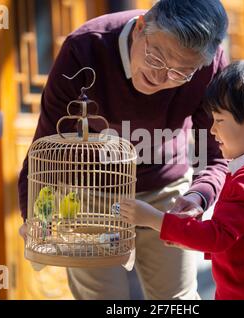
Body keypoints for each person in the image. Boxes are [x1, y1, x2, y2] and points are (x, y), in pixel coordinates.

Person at [18, 0, 229, 299]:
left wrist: (199, 195)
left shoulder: (209, 64)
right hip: (90, 192)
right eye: (156, 57)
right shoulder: (84, 50)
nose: (160, 77)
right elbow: (47, 148)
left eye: (179, 72)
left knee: (176, 300)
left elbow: (216, 153)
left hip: (167, 192)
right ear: (141, 27)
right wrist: (36, 216)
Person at [120, 60, 244, 300]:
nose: (212, 130)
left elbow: (217, 237)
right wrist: (182, 236)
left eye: (219, 120)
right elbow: (239, 241)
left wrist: (153, 219)